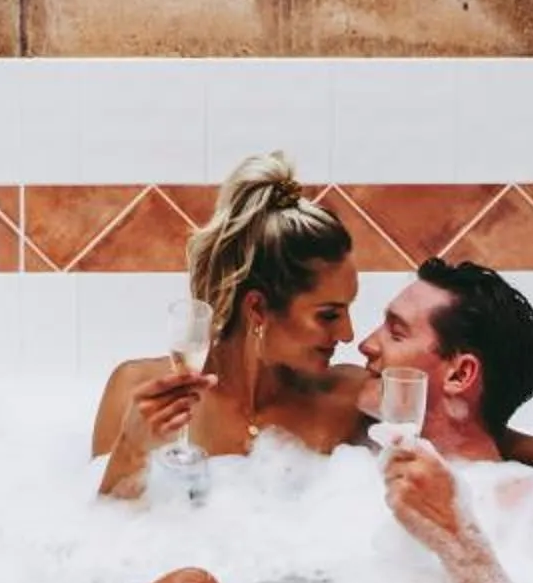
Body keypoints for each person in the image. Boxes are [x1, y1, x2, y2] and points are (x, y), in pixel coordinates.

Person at [92, 152, 362, 498]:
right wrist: (132, 447)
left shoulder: (346, 402)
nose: (348, 334)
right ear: (258, 308)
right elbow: (100, 539)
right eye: (329, 315)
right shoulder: (137, 393)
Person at [357, 258, 533, 583]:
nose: (366, 344)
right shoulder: (346, 446)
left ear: (460, 375)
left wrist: (455, 537)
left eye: (396, 333)